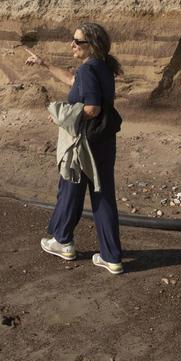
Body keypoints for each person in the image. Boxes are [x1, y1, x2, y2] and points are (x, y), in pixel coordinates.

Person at [26, 22, 124, 275]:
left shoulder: (88, 69)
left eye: (78, 41)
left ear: (92, 45)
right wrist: (44, 64)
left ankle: (62, 241)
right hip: (104, 141)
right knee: (103, 196)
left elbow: (92, 108)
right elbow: (73, 81)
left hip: (84, 142)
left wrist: (63, 116)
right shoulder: (102, 66)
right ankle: (111, 257)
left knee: (69, 189)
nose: (72, 44)